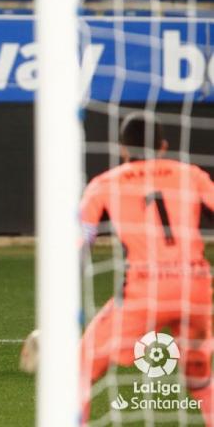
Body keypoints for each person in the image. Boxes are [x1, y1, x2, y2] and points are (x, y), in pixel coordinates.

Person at [79, 112, 214, 424]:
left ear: (122, 149)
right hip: (194, 288)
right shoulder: (190, 175)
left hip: (145, 291)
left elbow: (81, 242)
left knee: (79, 370)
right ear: (163, 146)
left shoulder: (104, 184)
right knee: (201, 380)